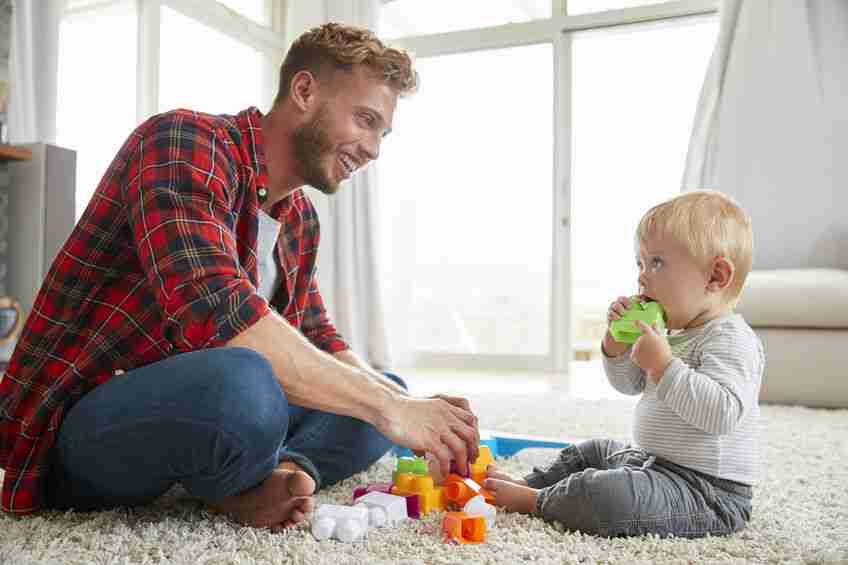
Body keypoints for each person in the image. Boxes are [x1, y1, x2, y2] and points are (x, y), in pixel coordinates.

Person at [0, 23, 479, 530]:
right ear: (304, 90)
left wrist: (405, 404)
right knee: (247, 382)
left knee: (381, 387)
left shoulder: (298, 218)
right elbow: (218, 315)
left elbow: (319, 338)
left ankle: (281, 477)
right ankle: (243, 473)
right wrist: (389, 408)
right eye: (365, 120)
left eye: (382, 133)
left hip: (206, 411)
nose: (374, 149)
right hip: (87, 423)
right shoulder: (183, 142)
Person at [485, 190, 764, 538]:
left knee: (607, 495)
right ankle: (529, 483)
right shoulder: (669, 330)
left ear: (715, 277)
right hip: (651, 462)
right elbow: (629, 384)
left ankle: (537, 500)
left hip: (706, 491)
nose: (643, 277)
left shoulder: (730, 339)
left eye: (657, 263)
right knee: (592, 451)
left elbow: (721, 413)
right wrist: (615, 345)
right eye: (640, 263)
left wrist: (664, 365)